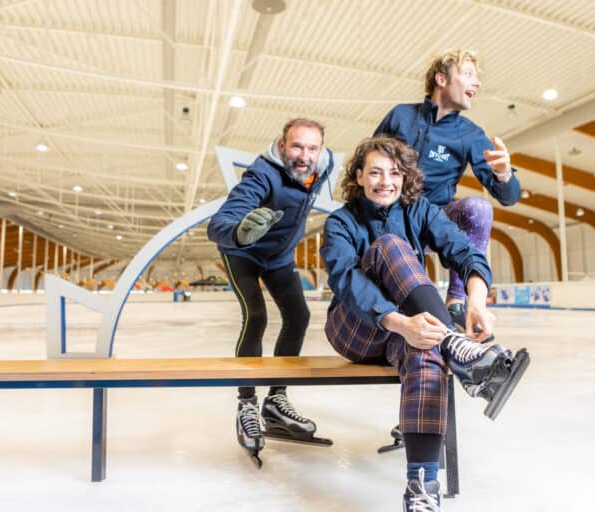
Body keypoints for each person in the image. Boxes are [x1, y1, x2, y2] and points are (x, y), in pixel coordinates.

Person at [320, 136, 528, 511]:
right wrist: (400, 322)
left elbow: (465, 253)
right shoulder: (341, 222)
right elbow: (346, 283)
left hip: (410, 329)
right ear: (359, 176)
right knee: (389, 246)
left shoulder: (421, 210)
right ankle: (457, 347)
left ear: (406, 177)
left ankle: (422, 487)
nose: (386, 181)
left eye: (395, 173)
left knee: (425, 349)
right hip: (355, 329)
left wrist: (477, 301)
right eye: (376, 172)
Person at [207, 118, 334, 467]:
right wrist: (239, 233)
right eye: (296, 146)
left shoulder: (325, 164)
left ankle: (276, 399)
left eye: (311, 148)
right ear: (281, 145)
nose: (304, 156)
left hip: (279, 256)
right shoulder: (262, 174)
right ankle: (247, 403)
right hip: (242, 253)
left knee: (299, 316)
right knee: (256, 315)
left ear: (321, 151)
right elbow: (217, 225)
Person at [374, 49, 521, 327]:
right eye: (467, 75)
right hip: (391, 221)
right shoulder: (400, 116)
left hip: (435, 221)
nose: (476, 83)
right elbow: (370, 163)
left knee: (478, 208)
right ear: (441, 79)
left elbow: (508, 197)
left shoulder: (470, 134)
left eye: (476, 78)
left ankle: (457, 300)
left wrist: (503, 174)